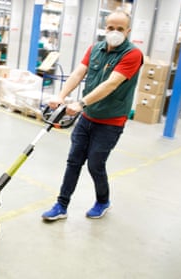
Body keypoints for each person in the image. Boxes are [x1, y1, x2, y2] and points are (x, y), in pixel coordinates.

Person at [41, 10, 143, 221]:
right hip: (87, 118)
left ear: (128, 31)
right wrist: (60, 96)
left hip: (111, 122)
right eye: (111, 28)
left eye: (120, 29)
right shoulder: (95, 49)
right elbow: (79, 73)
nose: (114, 32)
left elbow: (111, 84)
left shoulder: (132, 55)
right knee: (73, 161)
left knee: (95, 164)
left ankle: (103, 201)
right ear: (105, 28)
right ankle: (61, 205)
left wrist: (81, 102)